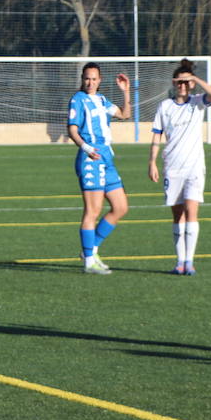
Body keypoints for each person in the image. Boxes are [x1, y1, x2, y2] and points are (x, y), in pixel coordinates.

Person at [148, 60, 211, 275]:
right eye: (180, 82)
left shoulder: (198, 102)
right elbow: (157, 135)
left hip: (194, 167)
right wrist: (152, 161)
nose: (183, 86)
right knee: (177, 215)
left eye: (186, 83)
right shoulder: (165, 106)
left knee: (192, 211)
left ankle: (189, 261)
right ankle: (179, 261)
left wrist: (194, 78)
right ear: (174, 83)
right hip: (172, 167)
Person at [67, 62, 132, 274]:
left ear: (100, 80)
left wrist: (126, 92)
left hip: (107, 159)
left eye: (94, 78)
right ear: (82, 79)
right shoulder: (78, 100)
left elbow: (124, 114)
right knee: (92, 211)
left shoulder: (103, 100)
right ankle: (88, 262)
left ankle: (91, 250)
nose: (90, 82)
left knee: (121, 207)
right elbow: (72, 130)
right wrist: (86, 148)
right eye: (87, 78)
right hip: (91, 159)